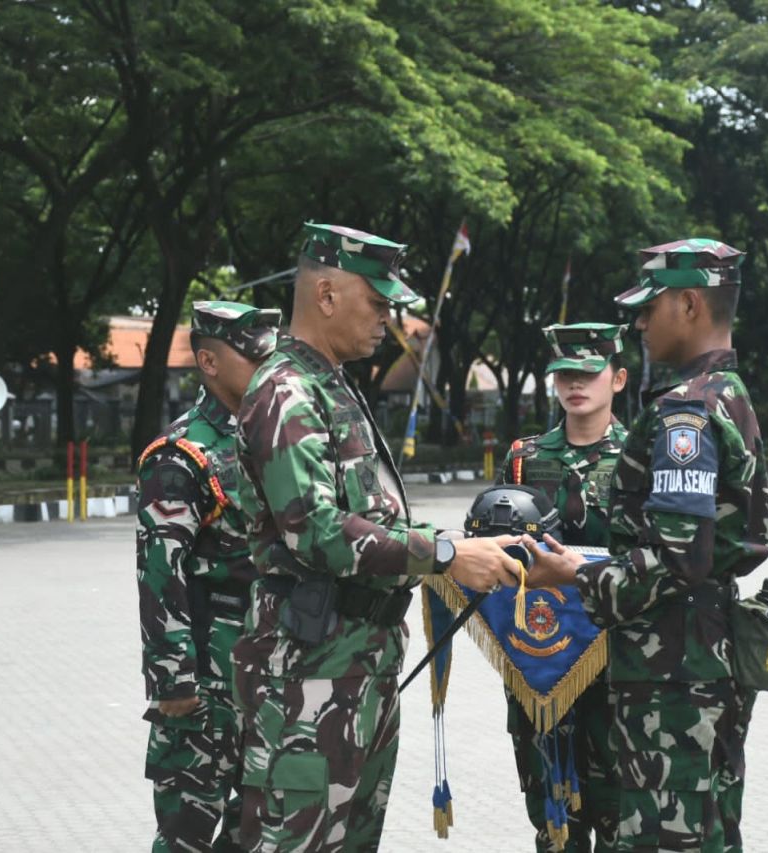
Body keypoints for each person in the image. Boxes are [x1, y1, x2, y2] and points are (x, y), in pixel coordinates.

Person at [233, 222, 520, 853]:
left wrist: (445, 541)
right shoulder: (286, 391)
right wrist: (443, 555)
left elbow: (376, 519)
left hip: (356, 672)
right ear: (327, 294)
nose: (387, 318)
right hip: (307, 680)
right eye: (378, 300)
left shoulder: (332, 385)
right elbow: (319, 532)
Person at [523, 238, 768, 852]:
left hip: (671, 673)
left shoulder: (683, 413)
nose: (638, 321)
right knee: (709, 828)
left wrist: (573, 575)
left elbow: (672, 560)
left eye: (649, 306)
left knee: (666, 837)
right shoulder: (730, 395)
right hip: (706, 654)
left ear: (688, 304)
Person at [136, 301, 282, 852]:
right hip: (205, 678)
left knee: (258, 829)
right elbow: (159, 573)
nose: (267, 370)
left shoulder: (269, 440)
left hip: (266, 667)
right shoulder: (183, 455)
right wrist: (174, 681)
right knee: (187, 835)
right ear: (209, 361)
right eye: (253, 358)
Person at [496, 322, 629, 852]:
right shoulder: (526, 458)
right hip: (542, 663)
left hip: (617, 661)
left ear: (617, 379)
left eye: (589, 373)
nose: (576, 384)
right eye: (564, 374)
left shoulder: (640, 455)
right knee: (553, 825)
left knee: (623, 820)